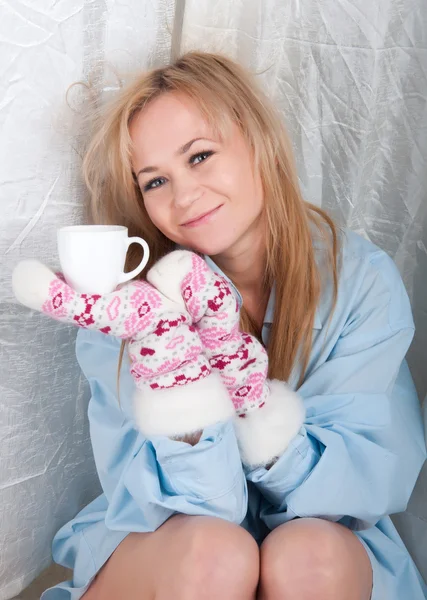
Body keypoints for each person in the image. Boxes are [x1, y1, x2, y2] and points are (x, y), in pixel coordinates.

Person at [41, 51, 427, 600]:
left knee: (310, 558)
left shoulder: (360, 280)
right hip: (172, 543)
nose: (184, 196)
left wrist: (254, 412)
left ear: (257, 141)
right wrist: (185, 394)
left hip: (327, 538)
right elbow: (176, 505)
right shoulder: (130, 311)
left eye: (199, 156)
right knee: (217, 556)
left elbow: (358, 482)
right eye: (154, 182)